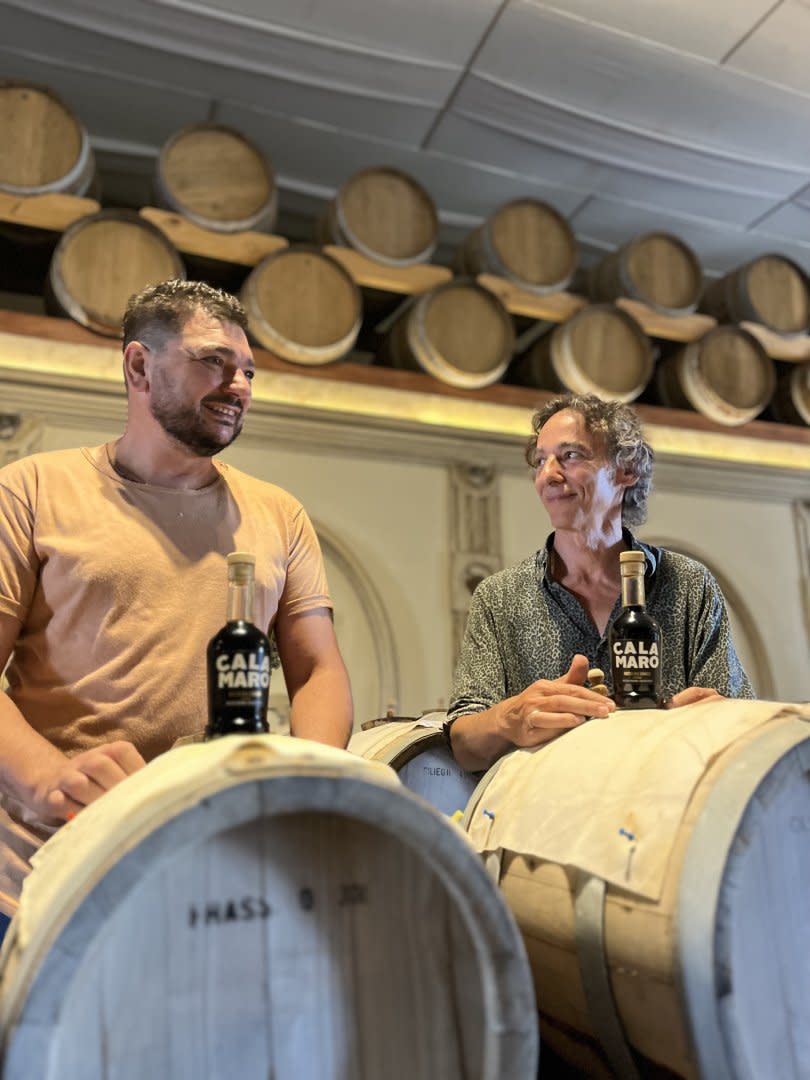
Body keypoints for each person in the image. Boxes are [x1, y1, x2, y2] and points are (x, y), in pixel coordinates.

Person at [0, 279, 353, 923]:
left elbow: (317, 670)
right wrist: (47, 777)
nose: (239, 384)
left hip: (218, 868)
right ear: (139, 365)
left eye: (247, 370)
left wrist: (313, 782)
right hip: (45, 870)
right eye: (213, 361)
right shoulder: (30, 490)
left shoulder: (280, 514)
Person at [446, 393, 754, 772]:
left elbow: (742, 721)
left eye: (570, 456)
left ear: (626, 470)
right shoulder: (499, 598)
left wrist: (724, 717)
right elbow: (463, 745)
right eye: (540, 461)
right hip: (548, 817)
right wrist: (509, 719)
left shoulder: (688, 584)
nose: (549, 474)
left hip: (666, 811)